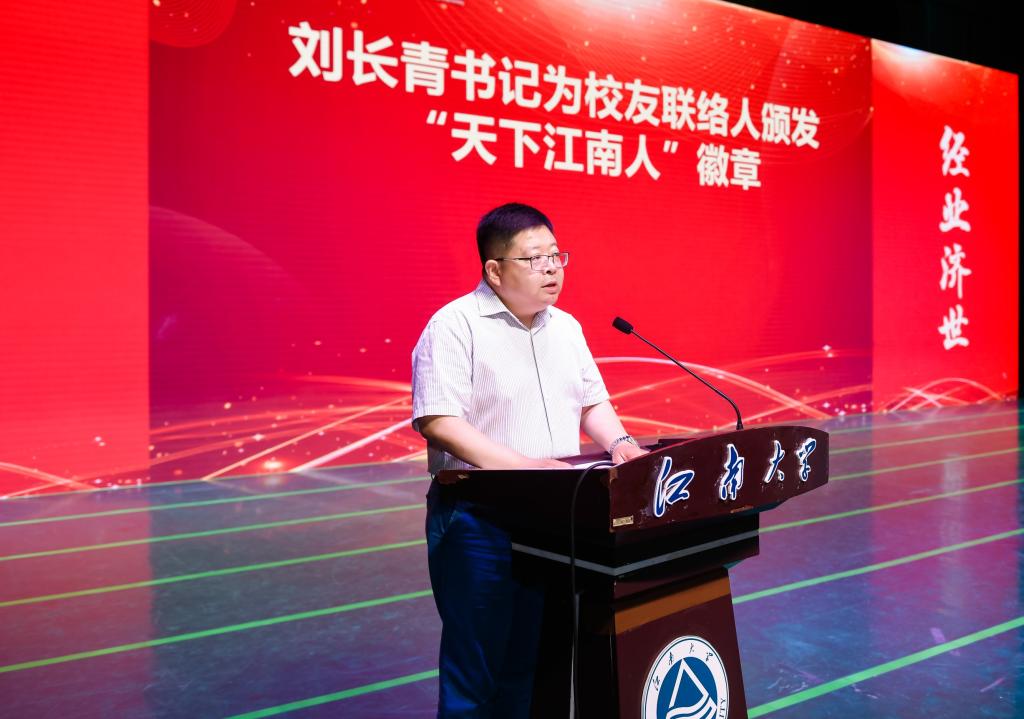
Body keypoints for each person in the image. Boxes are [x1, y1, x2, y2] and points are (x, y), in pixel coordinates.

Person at [411, 202, 645, 718]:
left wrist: (621, 443)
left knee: (534, 665)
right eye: (534, 258)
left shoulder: (567, 327)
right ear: (494, 271)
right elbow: (438, 421)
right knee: (476, 673)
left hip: (556, 518)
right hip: (478, 519)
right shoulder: (454, 325)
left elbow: (591, 403)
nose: (552, 268)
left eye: (556, 256)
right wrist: (525, 467)